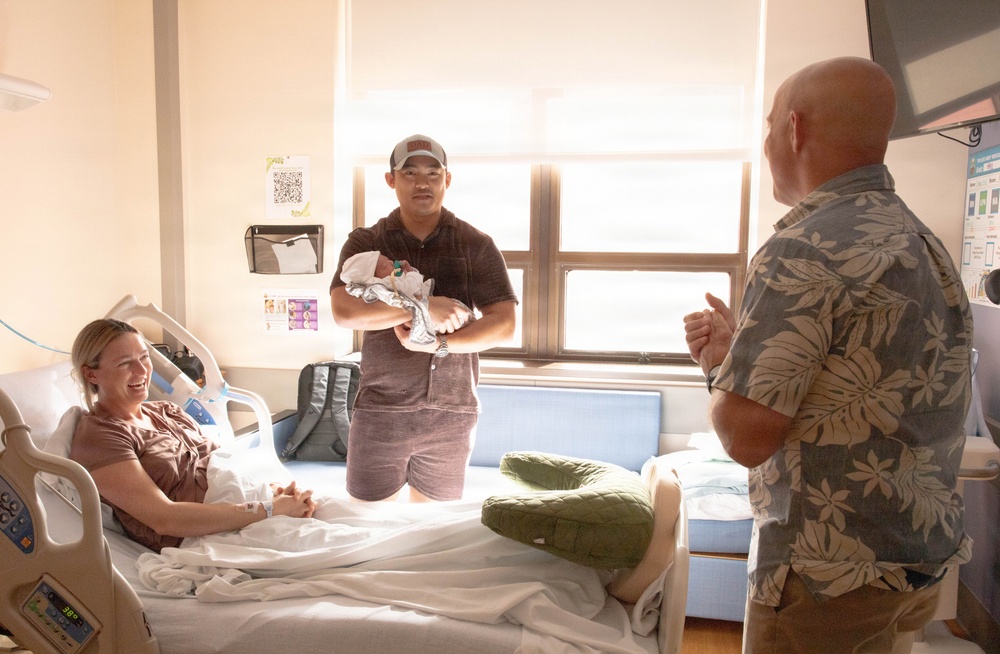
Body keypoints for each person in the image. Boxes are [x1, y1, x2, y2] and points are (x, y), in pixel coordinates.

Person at [682, 56, 973, 653]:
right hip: (913, 556)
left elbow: (746, 437)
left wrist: (719, 367)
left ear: (794, 129)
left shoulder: (803, 250)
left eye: (767, 128)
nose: (766, 144)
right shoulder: (921, 241)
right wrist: (746, 351)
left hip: (828, 574)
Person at [330, 134, 518, 503]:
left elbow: (504, 323)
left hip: (452, 411)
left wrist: (442, 342)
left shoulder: (475, 243)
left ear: (447, 179)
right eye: (410, 172)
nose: (422, 183)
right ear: (391, 180)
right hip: (380, 409)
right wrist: (421, 307)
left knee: (431, 532)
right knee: (365, 523)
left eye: (433, 173)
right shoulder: (365, 243)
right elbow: (345, 312)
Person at [68, 318, 317, 553]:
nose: (142, 370)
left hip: (248, 510)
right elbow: (164, 519)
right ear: (91, 374)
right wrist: (269, 510)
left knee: (337, 521)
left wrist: (274, 492)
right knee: (332, 551)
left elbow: (220, 467)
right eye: (125, 363)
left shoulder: (167, 411)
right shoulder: (100, 437)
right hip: (205, 536)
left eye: (144, 357)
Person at [339, 251, 439, 345]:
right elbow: (409, 287)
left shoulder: (390, 281)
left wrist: (409, 272)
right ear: (373, 279)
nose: (391, 262)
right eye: (385, 265)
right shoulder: (384, 286)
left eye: (388, 259)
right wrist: (410, 272)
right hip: (416, 319)